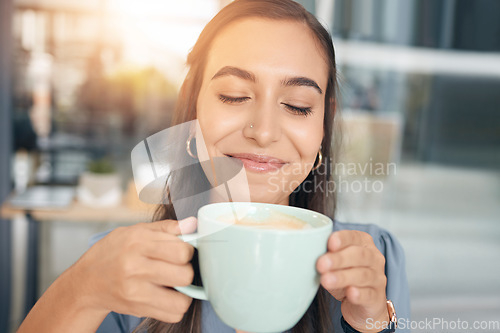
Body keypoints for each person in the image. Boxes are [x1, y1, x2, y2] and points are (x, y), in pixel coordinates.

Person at [17, 0, 409, 332]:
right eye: (235, 96)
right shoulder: (121, 266)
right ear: (194, 108)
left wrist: (372, 322)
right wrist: (81, 289)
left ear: (323, 123)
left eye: (298, 106)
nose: (264, 131)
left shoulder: (376, 258)